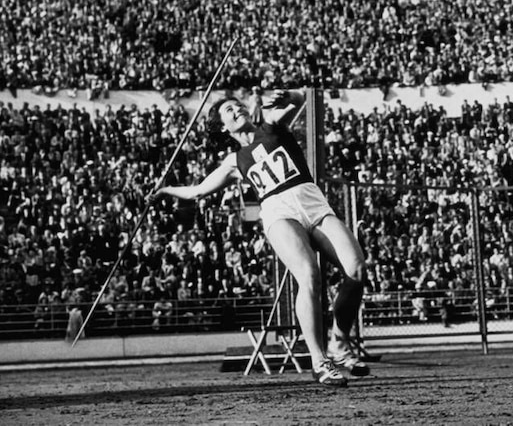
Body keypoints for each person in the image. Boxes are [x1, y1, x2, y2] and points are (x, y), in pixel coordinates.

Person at [153, 89, 368, 387]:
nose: (237, 109)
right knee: (309, 275)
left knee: (356, 269)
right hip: (279, 214)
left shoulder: (271, 126)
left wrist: (287, 94)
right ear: (222, 127)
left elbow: (300, 100)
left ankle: (339, 342)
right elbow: (198, 191)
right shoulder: (234, 160)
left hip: (313, 204)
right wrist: (165, 191)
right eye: (229, 110)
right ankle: (320, 361)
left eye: (238, 104)